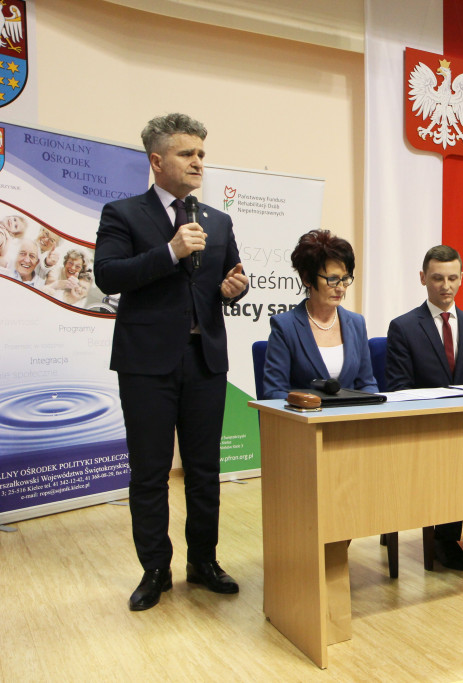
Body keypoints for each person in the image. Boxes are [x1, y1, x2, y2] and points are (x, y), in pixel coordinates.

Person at [94, 113, 249, 612]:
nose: (198, 162)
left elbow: (229, 277)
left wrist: (235, 288)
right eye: (187, 154)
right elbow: (107, 275)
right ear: (157, 160)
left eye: (201, 153)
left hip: (205, 359)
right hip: (146, 364)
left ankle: (203, 561)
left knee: (205, 470)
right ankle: (155, 569)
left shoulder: (218, 220)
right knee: (150, 472)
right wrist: (169, 251)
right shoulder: (123, 213)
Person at [386, 245, 463, 571]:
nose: (446, 286)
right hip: (427, 427)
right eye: (438, 278)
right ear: (423, 278)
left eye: (452, 278)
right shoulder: (403, 327)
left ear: (462, 278)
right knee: (452, 455)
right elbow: (398, 388)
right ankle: (444, 539)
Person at [263, 230, 377, 399]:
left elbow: (367, 383)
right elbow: (274, 392)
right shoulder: (285, 326)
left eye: (345, 279)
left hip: (352, 415)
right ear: (307, 279)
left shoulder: (356, 323)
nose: (341, 288)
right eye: (332, 279)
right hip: (305, 414)